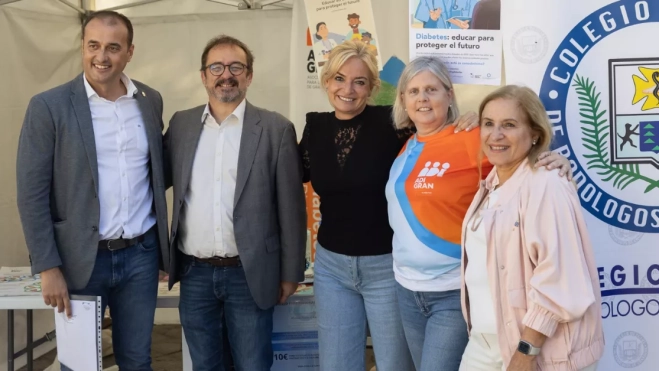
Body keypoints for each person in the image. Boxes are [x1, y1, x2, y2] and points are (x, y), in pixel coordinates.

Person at [299, 40, 482, 371]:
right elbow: (286, 177)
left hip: (386, 268)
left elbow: (439, 129)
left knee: (395, 364)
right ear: (326, 81)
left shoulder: (393, 124)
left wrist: (473, 118)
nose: (348, 89)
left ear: (372, 88)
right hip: (331, 268)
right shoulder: (314, 128)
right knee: (336, 364)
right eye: (339, 78)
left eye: (359, 81)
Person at [385, 57, 571, 371]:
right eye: (413, 91)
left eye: (432, 89)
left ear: (449, 95)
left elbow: (519, 157)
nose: (422, 98)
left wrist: (553, 160)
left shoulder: (471, 138)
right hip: (407, 290)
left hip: (452, 293)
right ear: (402, 99)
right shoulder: (407, 146)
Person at [16, 10, 169, 370]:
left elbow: (155, 172)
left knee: (137, 359)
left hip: (140, 257)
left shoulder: (150, 100)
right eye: (93, 46)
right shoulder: (48, 107)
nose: (102, 57)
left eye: (113, 47)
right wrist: (48, 266)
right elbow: (31, 192)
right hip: (79, 261)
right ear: (83, 48)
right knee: (79, 363)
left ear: (130, 51)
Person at [163, 35, 307, 371]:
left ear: (249, 75)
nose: (225, 74)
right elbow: (157, 184)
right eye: (216, 67)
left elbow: (292, 209)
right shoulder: (181, 124)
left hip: (250, 274)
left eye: (236, 67)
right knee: (205, 365)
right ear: (203, 75)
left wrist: (291, 273)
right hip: (194, 272)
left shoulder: (276, 129)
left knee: (252, 364)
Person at [459, 85, 604, 371]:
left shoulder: (546, 184)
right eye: (488, 124)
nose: (496, 134)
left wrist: (526, 351)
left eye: (509, 125)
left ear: (535, 133)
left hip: (539, 352)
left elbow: (558, 279)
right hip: (485, 343)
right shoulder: (491, 184)